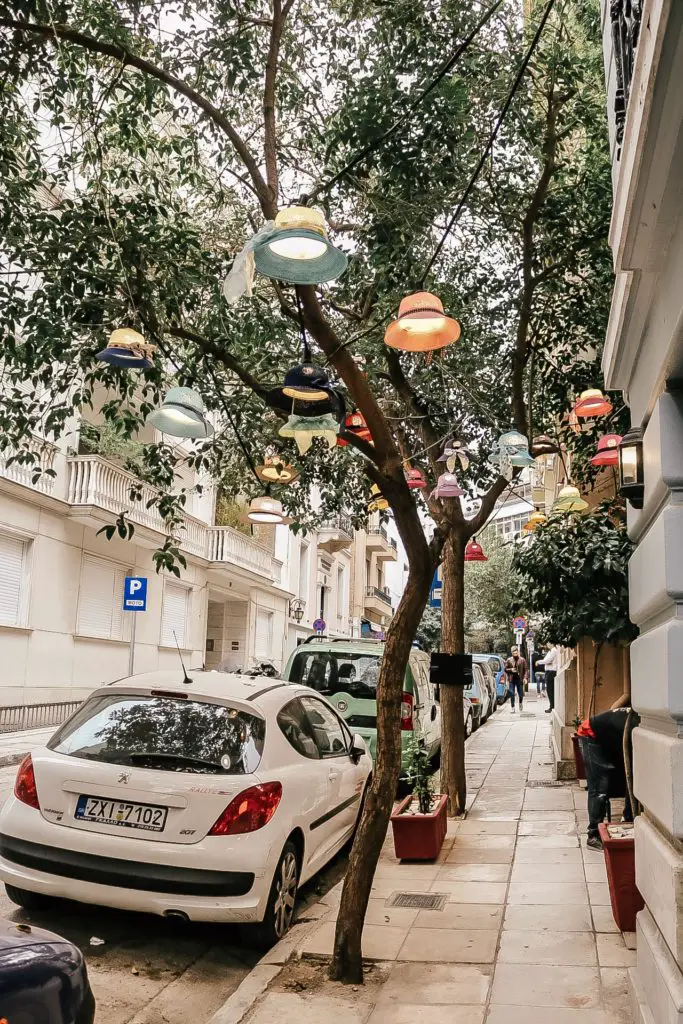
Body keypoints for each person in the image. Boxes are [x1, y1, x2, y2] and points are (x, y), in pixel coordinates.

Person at [577, 707, 639, 849]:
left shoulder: (640, 723)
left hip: (607, 737)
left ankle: (627, 819)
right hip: (590, 734)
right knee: (600, 788)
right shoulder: (636, 729)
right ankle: (593, 836)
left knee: (630, 779)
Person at [506, 646, 528, 713]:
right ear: (512, 653)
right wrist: (511, 669)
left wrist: (525, 678)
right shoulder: (509, 660)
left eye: (516, 653)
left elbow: (526, 669)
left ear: (518, 652)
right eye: (514, 653)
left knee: (520, 694)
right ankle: (513, 707)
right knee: (512, 693)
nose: (515, 654)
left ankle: (520, 703)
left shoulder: (522, 660)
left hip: (520, 679)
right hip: (511, 679)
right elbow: (505, 669)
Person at [539, 644, 559, 713]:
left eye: (548, 643)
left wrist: (538, 662)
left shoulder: (553, 651)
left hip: (551, 672)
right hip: (549, 672)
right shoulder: (550, 651)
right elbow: (546, 660)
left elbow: (547, 661)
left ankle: (552, 706)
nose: (547, 645)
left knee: (550, 690)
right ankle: (552, 706)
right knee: (550, 690)